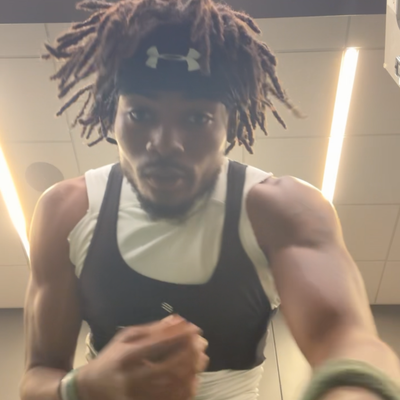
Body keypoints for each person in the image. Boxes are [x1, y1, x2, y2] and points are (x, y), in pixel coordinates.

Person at [20, 1, 400, 400]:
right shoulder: (66, 212)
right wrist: (83, 386)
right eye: (140, 114)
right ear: (110, 116)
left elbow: (345, 338)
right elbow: (37, 377)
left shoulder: (282, 210)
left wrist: (356, 391)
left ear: (229, 126)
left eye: (196, 118)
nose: (165, 143)